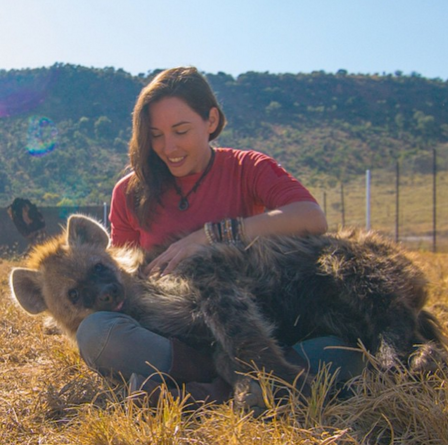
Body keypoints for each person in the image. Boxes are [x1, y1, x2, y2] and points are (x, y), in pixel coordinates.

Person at [76, 67, 364, 406]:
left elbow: (311, 217)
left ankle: (201, 390)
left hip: (257, 323)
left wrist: (213, 235)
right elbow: (122, 271)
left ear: (211, 120)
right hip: (178, 330)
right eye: (155, 135)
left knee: (349, 348)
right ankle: (240, 383)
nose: (169, 147)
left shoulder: (248, 167)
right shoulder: (128, 192)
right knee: (97, 334)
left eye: (180, 131)